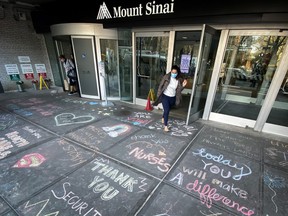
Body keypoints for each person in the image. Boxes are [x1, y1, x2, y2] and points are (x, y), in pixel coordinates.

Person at [153, 65, 187, 132]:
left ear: (177, 73)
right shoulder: (166, 77)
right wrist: (159, 95)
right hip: (165, 96)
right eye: (172, 72)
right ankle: (165, 126)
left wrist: (183, 86)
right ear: (170, 71)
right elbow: (160, 86)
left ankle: (163, 117)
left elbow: (178, 90)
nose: (173, 74)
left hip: (173, 97)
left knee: (167, 109)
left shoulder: (178, 80)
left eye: (175, 73)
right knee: (167, 111)